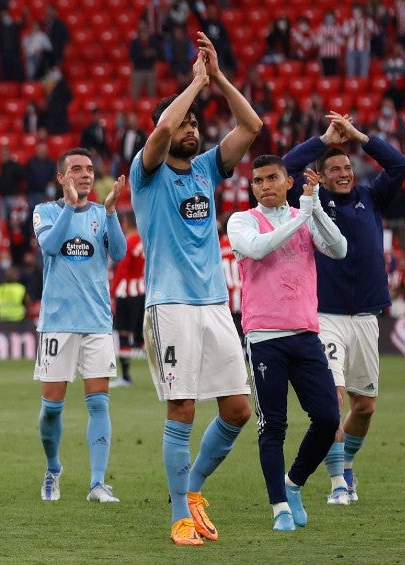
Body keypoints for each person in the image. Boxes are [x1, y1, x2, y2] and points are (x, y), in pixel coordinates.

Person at [129, 32, 262, 546]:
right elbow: (162, 126)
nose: (190, 128)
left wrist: (219, 79)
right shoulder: (147, 172)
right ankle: (179, 518)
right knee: (181, 409)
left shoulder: (207, 167)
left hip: (214, 305)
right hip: (170, 306)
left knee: (237, 409)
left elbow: (251, 125)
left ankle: (194, 488)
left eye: (194, 123)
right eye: (185, 121)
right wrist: (193, 85)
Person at [282, 112, 405, 505]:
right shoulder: (311, 200)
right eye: (334, 168)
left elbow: (399, 164)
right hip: (325, 315)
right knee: (332, 399)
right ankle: (337, 483)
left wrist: (358, 136)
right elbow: (286, 166)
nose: (343, 173)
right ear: (320, 174)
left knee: (365, 407)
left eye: (347, 167)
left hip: (367, 316)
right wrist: (324, 139)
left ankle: (347, 464)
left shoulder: (371, 197)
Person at [228, 156, 346, 531]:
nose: (265, 185)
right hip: (264, 336)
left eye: (273, 178)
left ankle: (292, 484)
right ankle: (279, 507)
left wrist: (314, 212)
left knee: (328, 419)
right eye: (258, 180)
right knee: (272, 426)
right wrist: (302, 216)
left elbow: (339, 249)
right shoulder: (241, 221)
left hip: (306, 333)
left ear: (288, 181)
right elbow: (259, 249)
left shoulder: (304, 214)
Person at [33, 148, 126, 504]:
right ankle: (53, 467)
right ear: (61, 177)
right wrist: (70, 208)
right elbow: (51, 247)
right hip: (57, 324)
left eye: (89, 169)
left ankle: (97, 483)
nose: (85, 174)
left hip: (97, 323)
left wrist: (113, 212)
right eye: (76, 169)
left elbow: (117, 254)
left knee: (99, 404)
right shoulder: (46, 212)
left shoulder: (103, 215)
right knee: (52, 408)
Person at [111, 210, 144, 388]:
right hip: (142, 290)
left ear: (125, 223)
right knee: (142, 336)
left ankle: (125, 377)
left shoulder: (129, 242)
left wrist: (112, 292)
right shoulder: (145, 241)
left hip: (126, 293)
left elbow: (122, 270)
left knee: (124, 333)